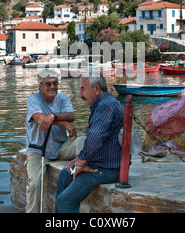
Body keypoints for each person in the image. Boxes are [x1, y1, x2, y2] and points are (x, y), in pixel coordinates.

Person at [55, 76, 123, 213]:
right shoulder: (103, 104)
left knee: (65, 201)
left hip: (108, 169)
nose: (80, 95)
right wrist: (77, 159)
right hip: (100, 163)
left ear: (97, 89)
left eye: (83, 89)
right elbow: (96, 141)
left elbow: (95, 139)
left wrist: (80, 164)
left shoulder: (106, 107)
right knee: (64, 175)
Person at [25, 69, 79, 213]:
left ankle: (87, 168)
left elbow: (71, 116)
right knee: (34, 185)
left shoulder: (62, 98)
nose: (52, 87)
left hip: (61, 147)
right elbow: (39, 118)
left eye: (55, 83)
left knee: (84, 141)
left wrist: (53, 117)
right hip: (38, 150)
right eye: (48, 84)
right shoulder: (33, 99)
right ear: (40, 86)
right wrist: (63, 123)